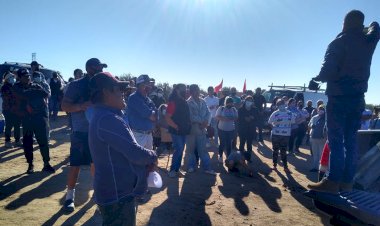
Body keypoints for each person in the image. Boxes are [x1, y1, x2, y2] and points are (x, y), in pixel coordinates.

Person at [308, 10, 379, 193]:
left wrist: (316, 79)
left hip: (339, 98)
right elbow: (376, 27)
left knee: (336, 141)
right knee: (351, 141)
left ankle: (332, 181)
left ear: (345, 23)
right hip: (358, 99)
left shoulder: (338, 42)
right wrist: (366, 29)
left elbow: (328, 71)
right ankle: (347, 182)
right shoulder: (368, 42)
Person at [88, 72, 157, 226]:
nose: (123, 92)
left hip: (115, 192)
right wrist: (153, 156)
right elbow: (136, 153)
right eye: (118, 88)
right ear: (106, 92)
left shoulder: (107, 115)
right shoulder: (108, 119)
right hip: (117, 195)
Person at [61, 58, 107, 212]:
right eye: (98, 68)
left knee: (97, 165)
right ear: (89, 69)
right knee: (75, 166)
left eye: (101, 68)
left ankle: (97, 196)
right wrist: (81, 106)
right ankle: (69, 197)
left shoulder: (102, 85)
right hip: (80, 132)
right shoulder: (76, 85)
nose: (100, 71)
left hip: (98, 131)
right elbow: (64, 105)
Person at [12, 68, 55, 174]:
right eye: (25, 76)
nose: (28, 78)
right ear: (19, 77)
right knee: (28, 143)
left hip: (40, 118)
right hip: (26, 119)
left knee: (43, 141)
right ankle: (30, 164)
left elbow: (45, 94)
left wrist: (30, 93)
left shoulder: (35, 85)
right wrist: (34, 93)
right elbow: (21, 95)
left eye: (28, 76)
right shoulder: (16, 87)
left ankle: (46, 164)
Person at [184, 84, 216, 175]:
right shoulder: (188, 103)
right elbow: (190, 116)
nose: (197, 92)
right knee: (191, 150)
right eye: (195, 90)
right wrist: (203, 122)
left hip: (202, 130)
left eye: (198, 90)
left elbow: (208, 113)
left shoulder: (203, 101)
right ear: (191, 92)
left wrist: (206, 122)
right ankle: (191, 166)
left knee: (203, 150)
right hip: (191, 130)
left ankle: (207, 168)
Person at [165, 84, 191, 178]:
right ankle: (172, 170)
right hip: (176, 131)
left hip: (183, 130)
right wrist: (175, 126)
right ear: (177, 90)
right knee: (178, 149)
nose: (185, 90)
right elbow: (167, 117)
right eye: (183, 89)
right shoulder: (173, 102)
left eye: (185, 89)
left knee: (181, 149)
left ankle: (177, 169)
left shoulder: (184, 101)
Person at [127, 74, 157, 150]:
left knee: (148, 160)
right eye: (147, 84)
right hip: (138, 135)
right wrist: (152, 114)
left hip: (149, 134)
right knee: (138, 160)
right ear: (140, 85)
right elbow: (150, 115)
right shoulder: (134, 98)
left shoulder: (148, 99)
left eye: (149, 83)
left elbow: (156, 115)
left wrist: (152, 114)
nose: (149, 86)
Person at [268, 99, 295, 171]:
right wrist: (273, 128)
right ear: (277, 105)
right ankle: (274, 165)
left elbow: (293, 122)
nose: (281, 106)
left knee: (283, 150)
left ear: (285, 104)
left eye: (282, 104)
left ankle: (285, 167)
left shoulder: (290, 113)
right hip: (276, 134)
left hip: (285, 135)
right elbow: (270, 122)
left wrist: (288, 130)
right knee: (275, 150)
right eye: (279, 104)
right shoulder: (275, 113)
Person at [1, 72, 21, 148]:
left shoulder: (15, 86)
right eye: (11, 77)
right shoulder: (4, 87)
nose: (13, 79)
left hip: (16, 109)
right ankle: (7, 141)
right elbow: (8, 98)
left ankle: (17, 140)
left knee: (17, 125)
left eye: (13, 77)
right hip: (8, 110)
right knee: (9, 126)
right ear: (7, 79)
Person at [216, 97, 238, 163]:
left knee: (229, 144)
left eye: (232, 103)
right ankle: (220, 156)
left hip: (231, 129)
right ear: (226, 103)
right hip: (221, 129)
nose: (231, 104)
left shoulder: (234, 109)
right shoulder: (221, 108)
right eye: (229, 103)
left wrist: (232, 118)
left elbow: (236, 117)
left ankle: (228, 157)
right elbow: (217, 116)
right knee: (222, 143)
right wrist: (224, 118)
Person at [238, 95, 259, 162]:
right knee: (241, 144)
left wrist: (253, 118)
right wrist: (244, 118)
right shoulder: (240, 109)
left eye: (250, 101)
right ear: (245, 101)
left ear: (252, 102)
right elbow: (238, 119)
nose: (249, 102)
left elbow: (258, 118)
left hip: (251, 129)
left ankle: (248, 158)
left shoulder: (255, 109)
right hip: (242, 129)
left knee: (249, 145)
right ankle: (240, 158)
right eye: (247, 100)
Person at [308, 105, 327, 172]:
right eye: (319, 109)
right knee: (315, 153)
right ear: (317, 110)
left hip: (322, 139)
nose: (320, 111)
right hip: (313, 137)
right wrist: (311, 126)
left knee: (321, 153)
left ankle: (321, 168)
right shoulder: (314, 117)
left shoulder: (326, 119)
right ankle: (315, 167)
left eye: (322, 109)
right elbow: (309, 124)